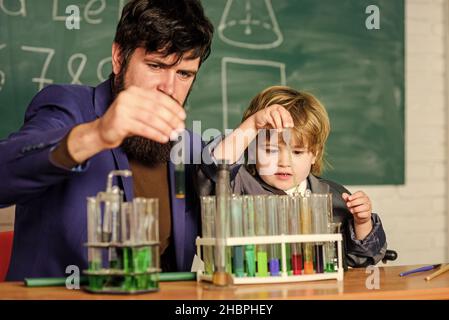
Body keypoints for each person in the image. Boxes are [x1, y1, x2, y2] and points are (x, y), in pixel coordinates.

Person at [0, 0, 214, 280]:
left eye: (184, 73)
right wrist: (98, 133)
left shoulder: (191, 147)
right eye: (156, 66)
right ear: (118, 58)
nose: (169, 88)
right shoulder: (68, 107)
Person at [197, 86, 387, 267]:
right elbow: (215, 165)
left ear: (315, 154)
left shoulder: (330, 195)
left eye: (297, 152)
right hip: (254, 291)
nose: (284, 162)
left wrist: (362, 222)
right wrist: (254, 124)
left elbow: (362, 257)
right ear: (252, 149)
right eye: (270, 150)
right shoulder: (238, 184)